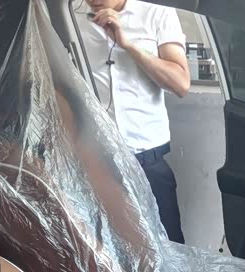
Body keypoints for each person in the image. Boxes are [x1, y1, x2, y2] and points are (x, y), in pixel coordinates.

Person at [77, 0, 190, 243]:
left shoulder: (157, 11)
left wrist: (128, 45)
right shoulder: (68, 15)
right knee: (103, 251)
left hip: (148, 162)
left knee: (169, 249)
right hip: (92, 163)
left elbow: (180, 83)